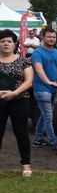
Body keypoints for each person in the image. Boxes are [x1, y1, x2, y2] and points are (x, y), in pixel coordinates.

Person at [31, 27, 57, 151]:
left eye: (53, 37)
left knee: (45, 115)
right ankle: (54, 141)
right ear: (42, 37)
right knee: (49, 117)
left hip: (54, 88)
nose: (51, 39)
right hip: (42, 89)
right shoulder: (37, 53)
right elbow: (38, 69)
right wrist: (48, 81)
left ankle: (38, 139)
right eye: (49, 36)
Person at [0, 29, 34, 176]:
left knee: (21, 133)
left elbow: (29, 81)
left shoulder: (23, 61)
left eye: (9, 41)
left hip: (19, 101)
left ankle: (26, 164)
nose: (6, 44)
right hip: (0, 103)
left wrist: (14, 93)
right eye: (2, 41)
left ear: (15, 44)